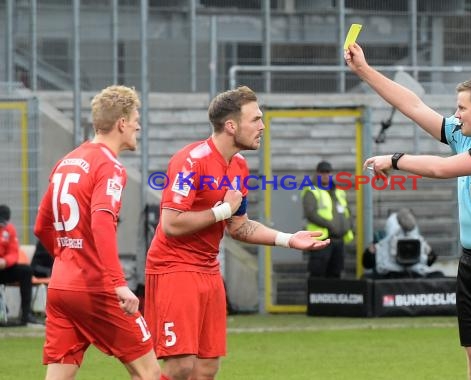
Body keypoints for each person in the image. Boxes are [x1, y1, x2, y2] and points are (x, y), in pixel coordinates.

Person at [345, 44, 471, 379]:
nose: (456, 114)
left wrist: (395, 160)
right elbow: (412, 104)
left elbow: (444, 169)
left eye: (462, 108)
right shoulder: (465, 136)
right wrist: (364, 70)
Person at [144, 85, 329, 380]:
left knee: (206, 369)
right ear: (231, 125)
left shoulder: (239, 165)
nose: (262, 126)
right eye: (255, 119)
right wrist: (222, 211)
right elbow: (171, 224)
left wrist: (289, 240)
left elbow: (239, 226)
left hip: (208, 271)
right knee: (180, 366)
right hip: (174, 269)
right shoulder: (191, 160)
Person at [34, 85, 161, 380]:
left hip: (61, 287)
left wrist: (69, 256)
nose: (138, 126)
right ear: (121, 123)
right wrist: (118, 283)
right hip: (96, 288)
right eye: (135, 119)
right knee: (150, 373)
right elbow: (101, 222)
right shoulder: (109, 166)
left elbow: (41, 226)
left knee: (58, 377)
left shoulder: (65, 162)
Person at [301, 160, 353, 278]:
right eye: (322, 172)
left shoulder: (339, 192)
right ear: (317, 173)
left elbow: (347, 211)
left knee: (336, 274)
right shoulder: (312, 191)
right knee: (317, 274)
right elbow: (310, 213)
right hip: (322, 240)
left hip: (339, 240)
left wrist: (349, 226)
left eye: (328, 172)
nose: (325, 175)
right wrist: (329, 224)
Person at [362, 208, 440, 279]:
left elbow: (430, 260)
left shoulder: (418, 240)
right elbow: (367, 262)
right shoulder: (385, 243)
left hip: (412, 275)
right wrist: (370, 253)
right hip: (391, 276)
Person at [0, 204, 41, 326]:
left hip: (4, 269)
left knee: (26, 271)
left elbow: (14, 253)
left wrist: (5, 261)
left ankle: (25, 315)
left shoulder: (10, 229)